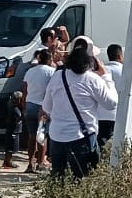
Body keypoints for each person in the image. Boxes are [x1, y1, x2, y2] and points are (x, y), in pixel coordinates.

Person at [40, 45, 117, 179]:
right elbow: (111, 104)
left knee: (58, 179)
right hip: (82, 138)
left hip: (57, 137)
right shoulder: (93, 80)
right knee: (82, 179)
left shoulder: (58, 76)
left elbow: (47, 107)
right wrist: (106, 77)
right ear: (90, 63)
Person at [100, 43, 132, 148]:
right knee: (122, 141)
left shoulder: (102, 71)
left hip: (102, 114)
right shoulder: (126, 71)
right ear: (120, 56)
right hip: (122, 113)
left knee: (102, 142)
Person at [20, 48, 55, 173]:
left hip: (30, 104)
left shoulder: (30, 71)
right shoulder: (52, 72)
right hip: (43, 107)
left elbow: (25, 89)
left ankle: (30, 163)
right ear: (50, 59)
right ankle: (40, 162)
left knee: (32, 136)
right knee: (42, 136)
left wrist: (24, 105)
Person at [4, 91, 25, 169]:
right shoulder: (15, 110)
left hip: (13, 130)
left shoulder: (11, 107)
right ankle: (8, 161)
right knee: (11, 147)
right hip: (13, 131)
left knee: (10, 147)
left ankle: (7, 160)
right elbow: (19, 118)